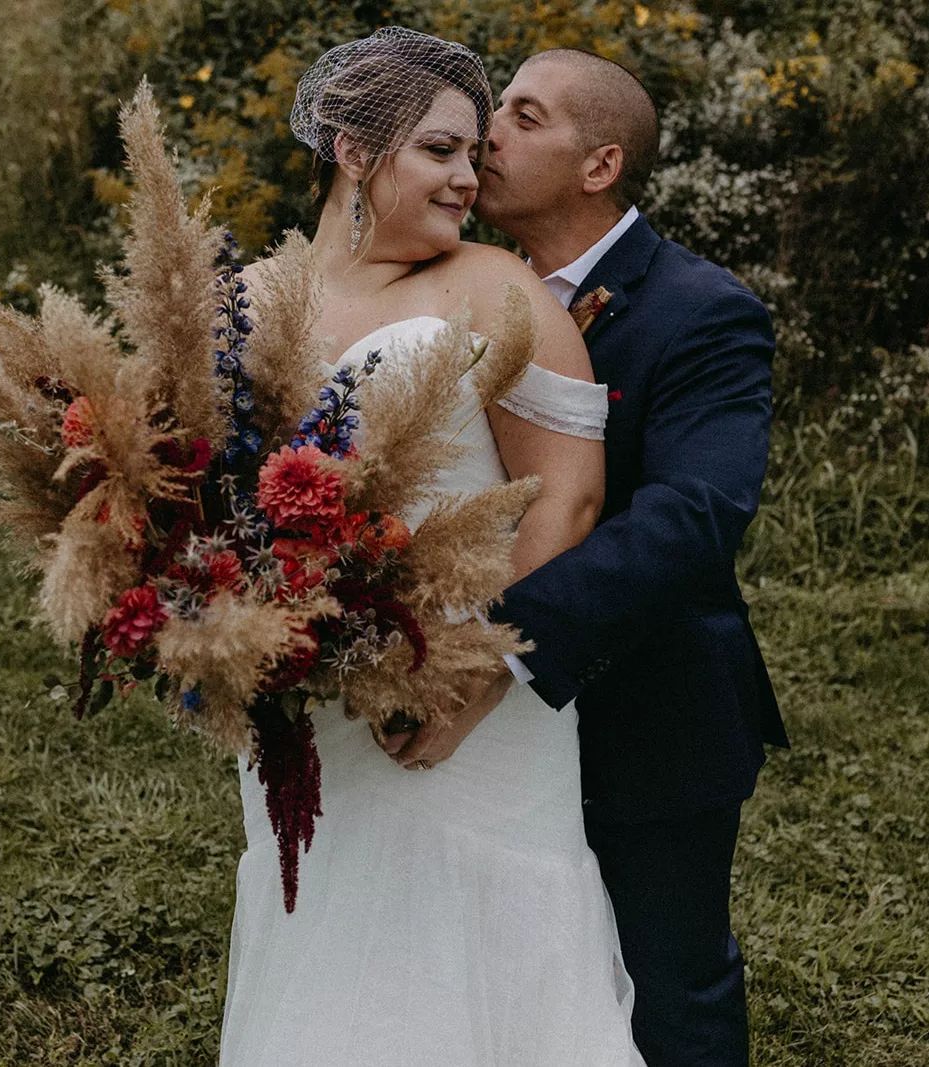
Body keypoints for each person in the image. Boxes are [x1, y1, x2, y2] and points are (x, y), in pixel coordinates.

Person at [220, 28, 646, 1066]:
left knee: (487, 925)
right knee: (322, 915)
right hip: (314, 702)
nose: (469, 176)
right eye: (439, 152)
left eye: (473, 151)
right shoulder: (249, 304)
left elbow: (569, 501)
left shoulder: (496, 288)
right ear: (352, 149)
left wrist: (475, 668)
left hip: (472, 699)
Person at [391, 48, 790, 1066]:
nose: (487, 136)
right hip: (467, 721)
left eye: (523, 117)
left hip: (645, 708)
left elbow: (691, 518)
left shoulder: (701, 311)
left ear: (599, 163)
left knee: (669, 980)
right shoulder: (445, 288)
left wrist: (501, 647)